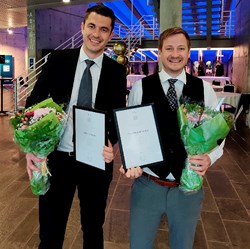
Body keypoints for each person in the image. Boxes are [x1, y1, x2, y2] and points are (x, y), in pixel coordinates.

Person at [25, 5, 127, 249]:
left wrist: (112, 144)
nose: (96, 34)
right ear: (82, 27)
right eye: (92, 26)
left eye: (104, 29)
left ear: (110, 35)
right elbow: (33, 104)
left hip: (96, 162)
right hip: (57, 159)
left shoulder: (116, 72)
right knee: (50, 232)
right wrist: (31, 148)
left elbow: (115, 116)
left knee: (93, 229)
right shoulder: (58, 61)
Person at [120, 27, 224, 249]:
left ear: (188, 53)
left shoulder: (204, 89)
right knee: (138, 244)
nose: (174, 54)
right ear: (159, 53)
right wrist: (129, 160)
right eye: (168, 48)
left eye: (180, 48)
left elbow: (219, 137)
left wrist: (210, 158)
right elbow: (131, 129)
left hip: (187, 185)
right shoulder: (141, 87)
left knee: (182, 245)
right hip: (148, 183)